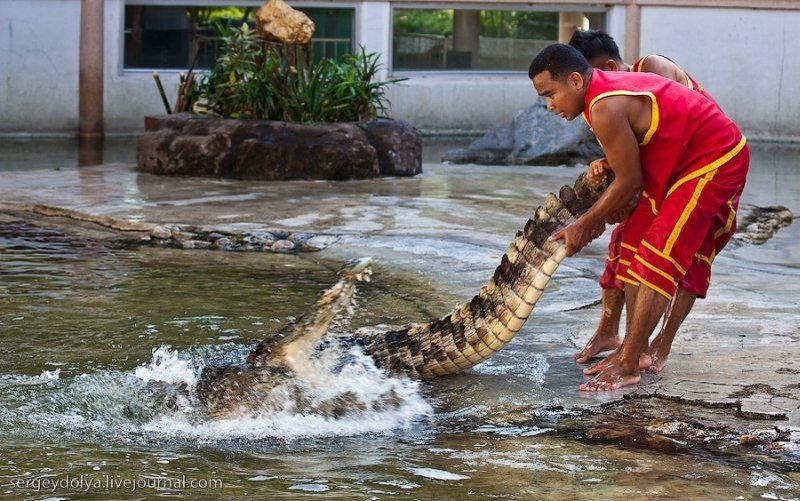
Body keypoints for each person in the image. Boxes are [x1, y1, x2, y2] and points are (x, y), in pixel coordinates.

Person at [529, 44, 748, 391]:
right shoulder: (594, 102)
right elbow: (630, 164)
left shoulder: (603, 104)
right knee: (631, 244)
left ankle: (630, 361)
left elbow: (630, 181)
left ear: (574, 80)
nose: (549, 105)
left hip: (713, 157)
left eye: (550, 94)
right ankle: (631, 348)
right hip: (676, 162)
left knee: (661, 253)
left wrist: (584, 223)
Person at [567, 30, 721, 374]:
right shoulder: (608, 102)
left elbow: (678, 125)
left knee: (685, 257)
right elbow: (636, 149)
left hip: (700, 165)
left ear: (606, 67)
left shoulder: (652, 67)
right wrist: (608, 162)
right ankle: (611, 335)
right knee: (625, 241)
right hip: (662, 174)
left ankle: (659, 344)